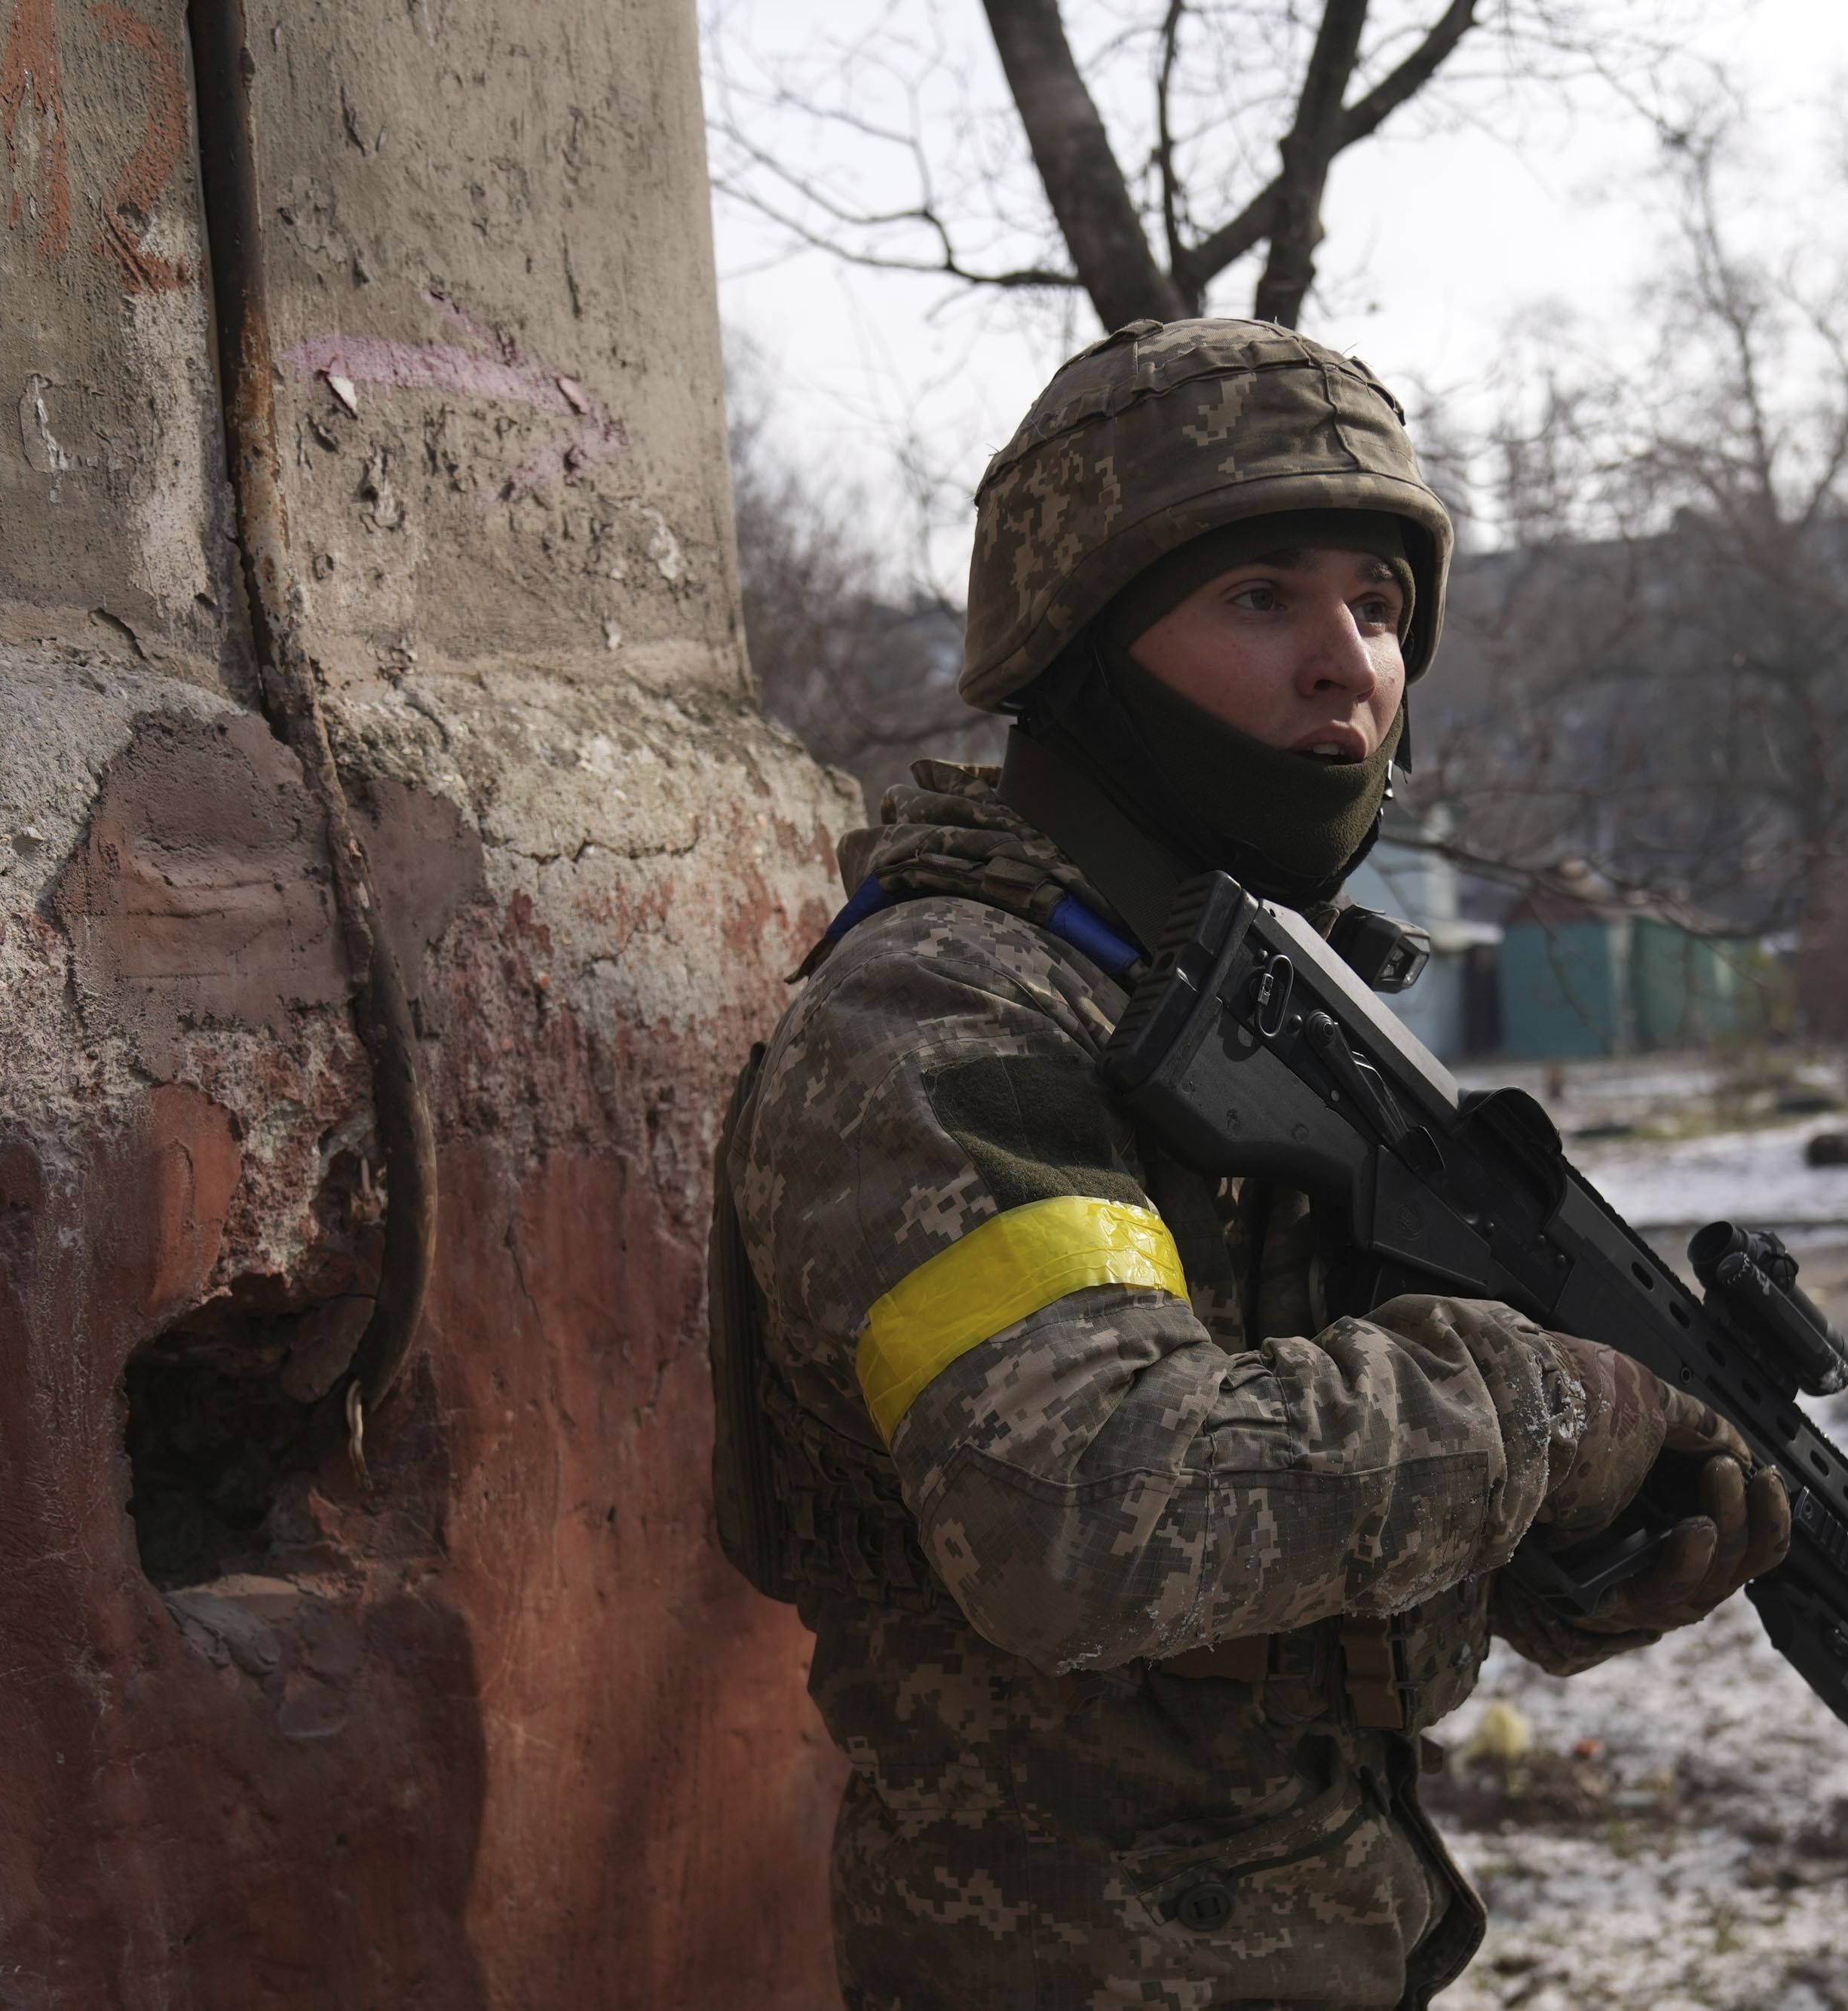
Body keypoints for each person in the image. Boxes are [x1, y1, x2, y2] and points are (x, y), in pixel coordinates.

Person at [712, 317, 1791, 2010]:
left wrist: (1575, 1550)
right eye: (1258, 596)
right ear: (1077, 643)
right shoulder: (946, 1006)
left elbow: (1297, 1516)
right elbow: (1080, 1503)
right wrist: (1540, 1414)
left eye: (1376, 603)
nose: (1344, 661)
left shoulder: (1245, 1007)